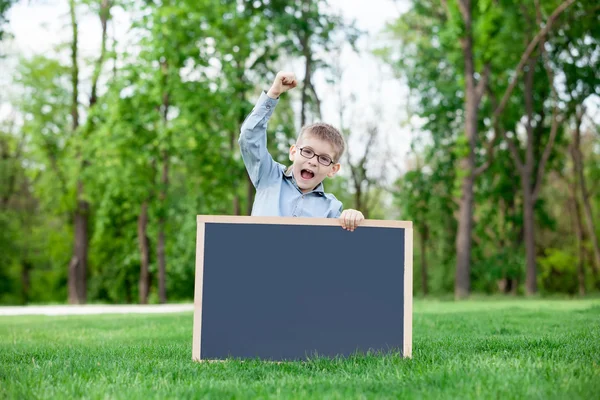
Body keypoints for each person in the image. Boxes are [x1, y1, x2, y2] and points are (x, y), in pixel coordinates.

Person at [238, 71, 365, 231]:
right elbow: (249, 137)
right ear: (293, 152)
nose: (312, 161)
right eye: (307, 151)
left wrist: (352, 217)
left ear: (333, 169)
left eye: (324, 159)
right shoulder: (269, 176)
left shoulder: (332, 209)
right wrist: (274, 94)